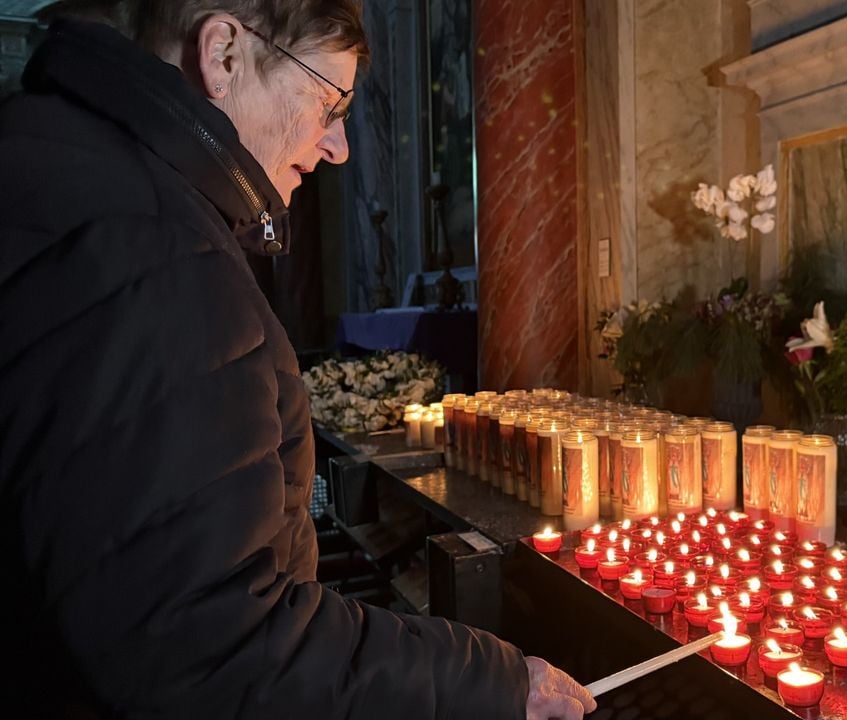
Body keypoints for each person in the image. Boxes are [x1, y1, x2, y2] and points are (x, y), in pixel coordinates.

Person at [0, 2, 596, 718]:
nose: (338, 146)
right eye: (326, 100)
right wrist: (491, 682)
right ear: (223, 55)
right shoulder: (156, 247)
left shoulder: (69, 164)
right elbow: (211, 648)